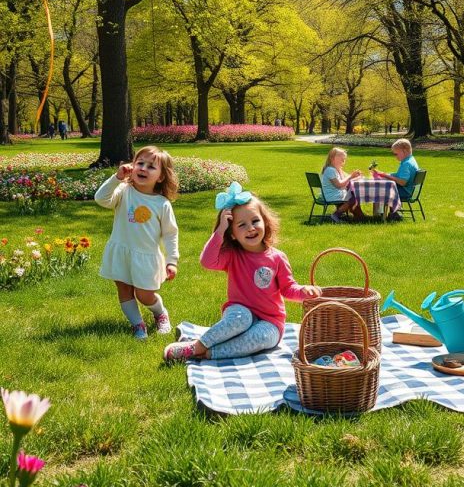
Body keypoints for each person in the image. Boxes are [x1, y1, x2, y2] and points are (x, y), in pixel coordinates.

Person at [163, 182, 321, 362]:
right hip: (239, 312)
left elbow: (288, 288)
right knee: (241, 318)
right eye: (242, 225)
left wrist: (303, 292)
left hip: (270, 321)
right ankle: (197, 346)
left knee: (262, 338)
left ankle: (207, 354)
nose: (251, 228)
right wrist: (220, 230)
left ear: (265, 222)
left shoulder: (277, 257)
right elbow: (207, 261)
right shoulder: (232, 255)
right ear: (232, 234)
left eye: (255, 221)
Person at [94, 145, 179, 340]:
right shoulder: (124, 191)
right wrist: (117, 178)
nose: (143, 168)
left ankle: (160, 313)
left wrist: (172, 260)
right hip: (121, 251)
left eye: (151, 166)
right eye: (140, 163)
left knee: (144, 295)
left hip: (146, 257)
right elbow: (101, 199)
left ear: (161, 176)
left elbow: (170, 234)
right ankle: (137, 325)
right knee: (123, 289)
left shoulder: (162, 204)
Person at [369, 138, 419, 221]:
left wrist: (386, 176)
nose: (395, 156)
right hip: (410, 190)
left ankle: (380, 214)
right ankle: (393, 213)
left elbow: (402, 182)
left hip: (405, 191)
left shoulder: (406, 164)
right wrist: (384, 174)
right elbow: (399, 176)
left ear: (404, 151)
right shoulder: (410, 160)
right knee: (384, 187)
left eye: (396, 154)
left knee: (379, 189)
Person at [320, 147, 366, 223]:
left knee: (353, 195)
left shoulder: (337, 169)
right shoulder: (330, 170)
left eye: (344, 159)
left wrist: (356, 176)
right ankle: (336, 215)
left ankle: (358, 217)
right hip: (331, 195)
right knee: (353, 198)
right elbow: (339, 185)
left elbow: (347, 179)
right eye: (341, 159)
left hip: (334, 193)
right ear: (332, 158)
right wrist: (351, 176)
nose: (343, 161)